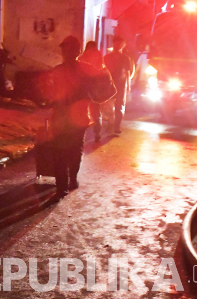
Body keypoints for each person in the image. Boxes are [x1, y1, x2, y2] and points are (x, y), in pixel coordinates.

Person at [41, 36, 115, 198]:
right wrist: (95, 98)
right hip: (76, 118)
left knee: (62, 152)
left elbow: (47, 94)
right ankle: (70, 182)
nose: (64, 52)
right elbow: (109, 87)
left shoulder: (59, 70)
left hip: (65, 119)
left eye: (66, 49)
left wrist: (95, 98)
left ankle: (64, 186)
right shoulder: (85, 69)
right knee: (73, 151)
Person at [103, 36, 136, 134]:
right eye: (116, 43)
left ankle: (116, 126)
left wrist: (128, 86)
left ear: (123, 45)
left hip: (121, 85)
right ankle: (110, 123)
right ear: (113, 44)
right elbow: (103, 72)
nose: (118, 45)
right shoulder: (106, 58)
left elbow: (128, 73)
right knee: (108, 106)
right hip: (108, 85)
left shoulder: (126, 58)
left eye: (120, 43)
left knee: (119, 106)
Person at [79, 41, 109, 142]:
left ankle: (81, 133)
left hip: (84, 88)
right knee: (96, 111)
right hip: (94, 88)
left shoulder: (83, 56)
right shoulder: (99, 56)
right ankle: (97, 133)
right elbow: (101, 69)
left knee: (83, 110)